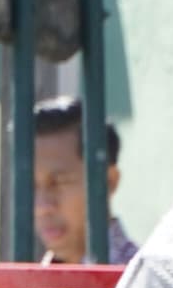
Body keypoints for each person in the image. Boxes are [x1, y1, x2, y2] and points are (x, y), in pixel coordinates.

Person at [31, 99, 127, 261]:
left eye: (59, 183)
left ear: (108, 182)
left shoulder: (144, 283)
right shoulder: (23, 285)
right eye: (30, 187)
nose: (42, 207)